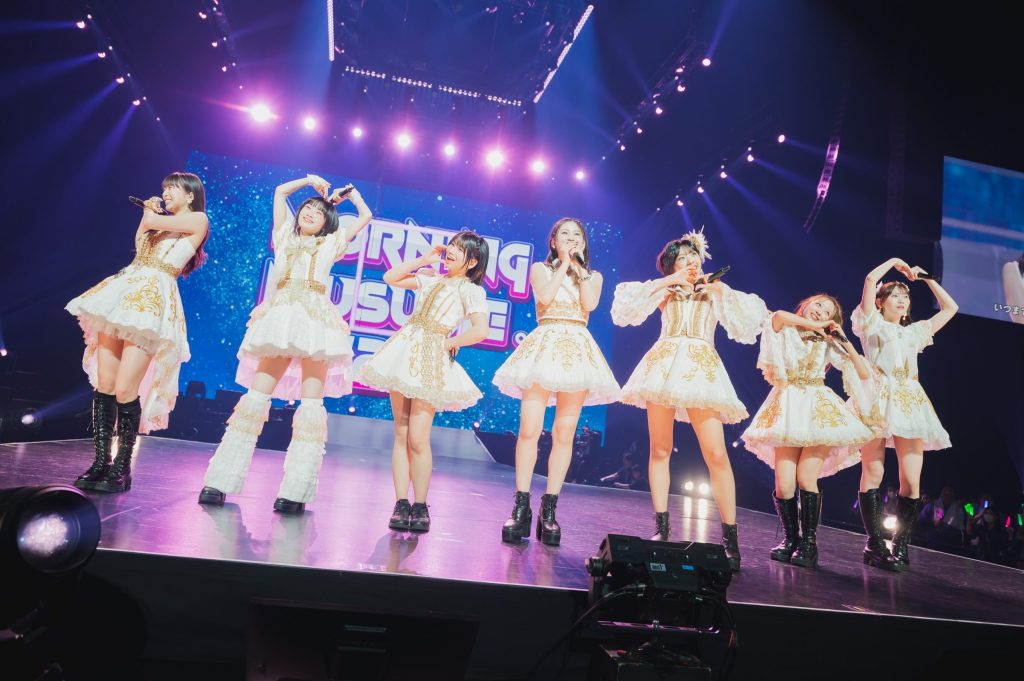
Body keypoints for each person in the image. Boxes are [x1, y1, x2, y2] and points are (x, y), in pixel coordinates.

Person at [199, 174, 372, 514]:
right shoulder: (283, 236)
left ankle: (296, 491)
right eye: (306, 208)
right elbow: (279, 192)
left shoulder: (331, 243)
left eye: (317, 212)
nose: (309, 212)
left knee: (310, 406)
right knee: (254, 400)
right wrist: (309, 181)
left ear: (327, 223)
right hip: (280, 320)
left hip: (316, 325)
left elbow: (365, 216)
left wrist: (348, 196)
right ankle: (219, 481)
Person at [611, 229, 767, 571]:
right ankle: (662, 525)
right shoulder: (666, 290)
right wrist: (670, 281)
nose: (689, 261)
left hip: (701, 367)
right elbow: (625, 307)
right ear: (672, 266)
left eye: (692, 255)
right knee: (659, 449)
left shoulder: (715, 289)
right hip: (663, 366)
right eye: (681, 258)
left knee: (716, 453)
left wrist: (719, 290)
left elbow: (749, 321)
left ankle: (730, 537)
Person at [67, 172, 209, 493]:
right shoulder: (158, 220)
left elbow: (150, 221)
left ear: (190, 195)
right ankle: (100, 462)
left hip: (152, 303)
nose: (166, 192)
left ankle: (122, 466)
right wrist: (150, 214)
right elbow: (141, 240)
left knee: (125, 389)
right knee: (105, 385)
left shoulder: (198, 219)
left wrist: (150, 211)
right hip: (123, 293)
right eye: (164, 188)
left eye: (172, 188)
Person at [493, 218, 620, 546]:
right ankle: (521, 507)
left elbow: (590, 304)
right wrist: (563, 264)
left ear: (584, 243)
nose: (571, 238)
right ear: (553, 241)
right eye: (565, 234)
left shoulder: (593, 276)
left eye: (577, 235)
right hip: (545, 345)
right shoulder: (540, 269)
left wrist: (578, 269)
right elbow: (546, 297)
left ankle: (549, 510)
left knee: (564, 434)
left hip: (577, 348)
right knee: (529, 429)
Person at [356, 231, 491, 533]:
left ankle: (420, 504)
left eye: (460, 249)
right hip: (404, 351)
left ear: (472, 262)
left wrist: (449, 342)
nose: (451, 251)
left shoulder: (471, 290)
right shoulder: (430, 277)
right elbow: (390, 277)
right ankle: (401, 503)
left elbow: (481, 330)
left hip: (431, 358)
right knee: (401, 432)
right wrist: (424, 259)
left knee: (418, 436)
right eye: (452, 245)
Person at [742, 294, 877, 569]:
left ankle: (809, 543)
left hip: (818, 409)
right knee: (784, 485)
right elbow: (779, 315)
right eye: (818, 305)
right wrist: (817, 326)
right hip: (788, 407)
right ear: (806, 305)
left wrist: (843, 340)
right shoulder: (786, 327)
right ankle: (791, 539)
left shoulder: (827, 341)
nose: (820, 312)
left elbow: (864, 372)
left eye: (827, 312)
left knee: (806, 477)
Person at [854, 258, 958, 570]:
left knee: (911, 481)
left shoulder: (914, 332)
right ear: (880, 303)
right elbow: (869, 279)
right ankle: (874, 544)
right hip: (877, 399)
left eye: (905, 296)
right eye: (895, 295)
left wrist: (925, 278)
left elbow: (951, 308)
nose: (902, 299)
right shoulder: (871, 325)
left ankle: (900, 546)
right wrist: (896, 262)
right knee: (873, 472)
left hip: (910, 402)